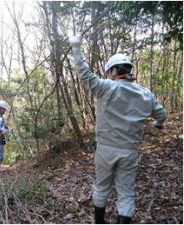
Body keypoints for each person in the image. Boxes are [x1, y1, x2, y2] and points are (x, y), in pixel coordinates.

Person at [69, 35, 167, 224]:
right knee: (126, 193)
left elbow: (84, 74)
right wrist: (158, 124)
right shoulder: (145, 94)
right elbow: (161, 114)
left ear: (113, 71)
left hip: (105, 149)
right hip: (130, 151)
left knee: (102, 187)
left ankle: (99, 222)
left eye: (108, 73)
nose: (107, 76)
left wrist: (76, 47)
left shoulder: (107, 87)